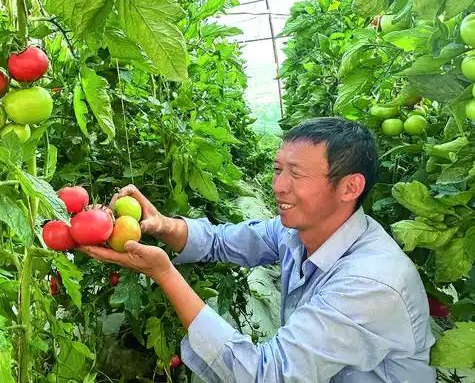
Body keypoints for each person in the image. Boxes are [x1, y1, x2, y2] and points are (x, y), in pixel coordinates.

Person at [79, 117, 436, 382]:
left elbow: (267, 375)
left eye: (296, 174)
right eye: (278, 170)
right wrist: (162, 224)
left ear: (349, 187)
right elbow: (219, 241)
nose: (279, 186)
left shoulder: (371, 283)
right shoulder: (296, 233)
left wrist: (164, 274)